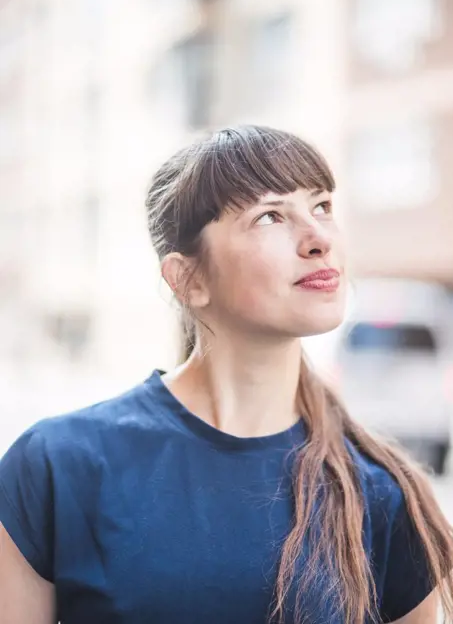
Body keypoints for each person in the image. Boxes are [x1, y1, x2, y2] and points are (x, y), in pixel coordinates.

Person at [0, 125, 452, 624]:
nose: (319, 238)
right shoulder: (58, 466)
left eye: (322, 206)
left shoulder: (381, 493)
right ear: (188, 279)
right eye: (270, 216)